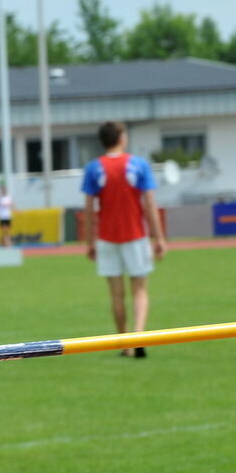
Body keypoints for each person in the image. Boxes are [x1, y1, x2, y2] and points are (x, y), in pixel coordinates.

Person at [81, 121, 166, 359]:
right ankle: (138, 336)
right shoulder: (138, 165)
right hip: (135, 235)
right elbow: (149, 203)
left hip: (107, 238)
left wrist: (90, 241)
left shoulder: (94, 168)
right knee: (140, 290)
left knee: (116, 295)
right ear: (121, 138)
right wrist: (158, 237)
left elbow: (89, 208)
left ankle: (125, 344)